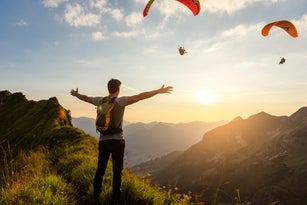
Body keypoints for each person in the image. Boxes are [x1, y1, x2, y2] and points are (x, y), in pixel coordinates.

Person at [70, 79, 173, 204]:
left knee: (100, 170)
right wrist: (158, 91)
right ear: (118, 89)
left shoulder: (100, 100)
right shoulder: (120, 101)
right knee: (117, 172)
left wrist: (76, 95)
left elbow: (86, 98)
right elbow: (141, 96)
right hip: (117, 141)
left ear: (108, 88)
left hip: (103, 141)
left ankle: (96, 196)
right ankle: (115, 200)